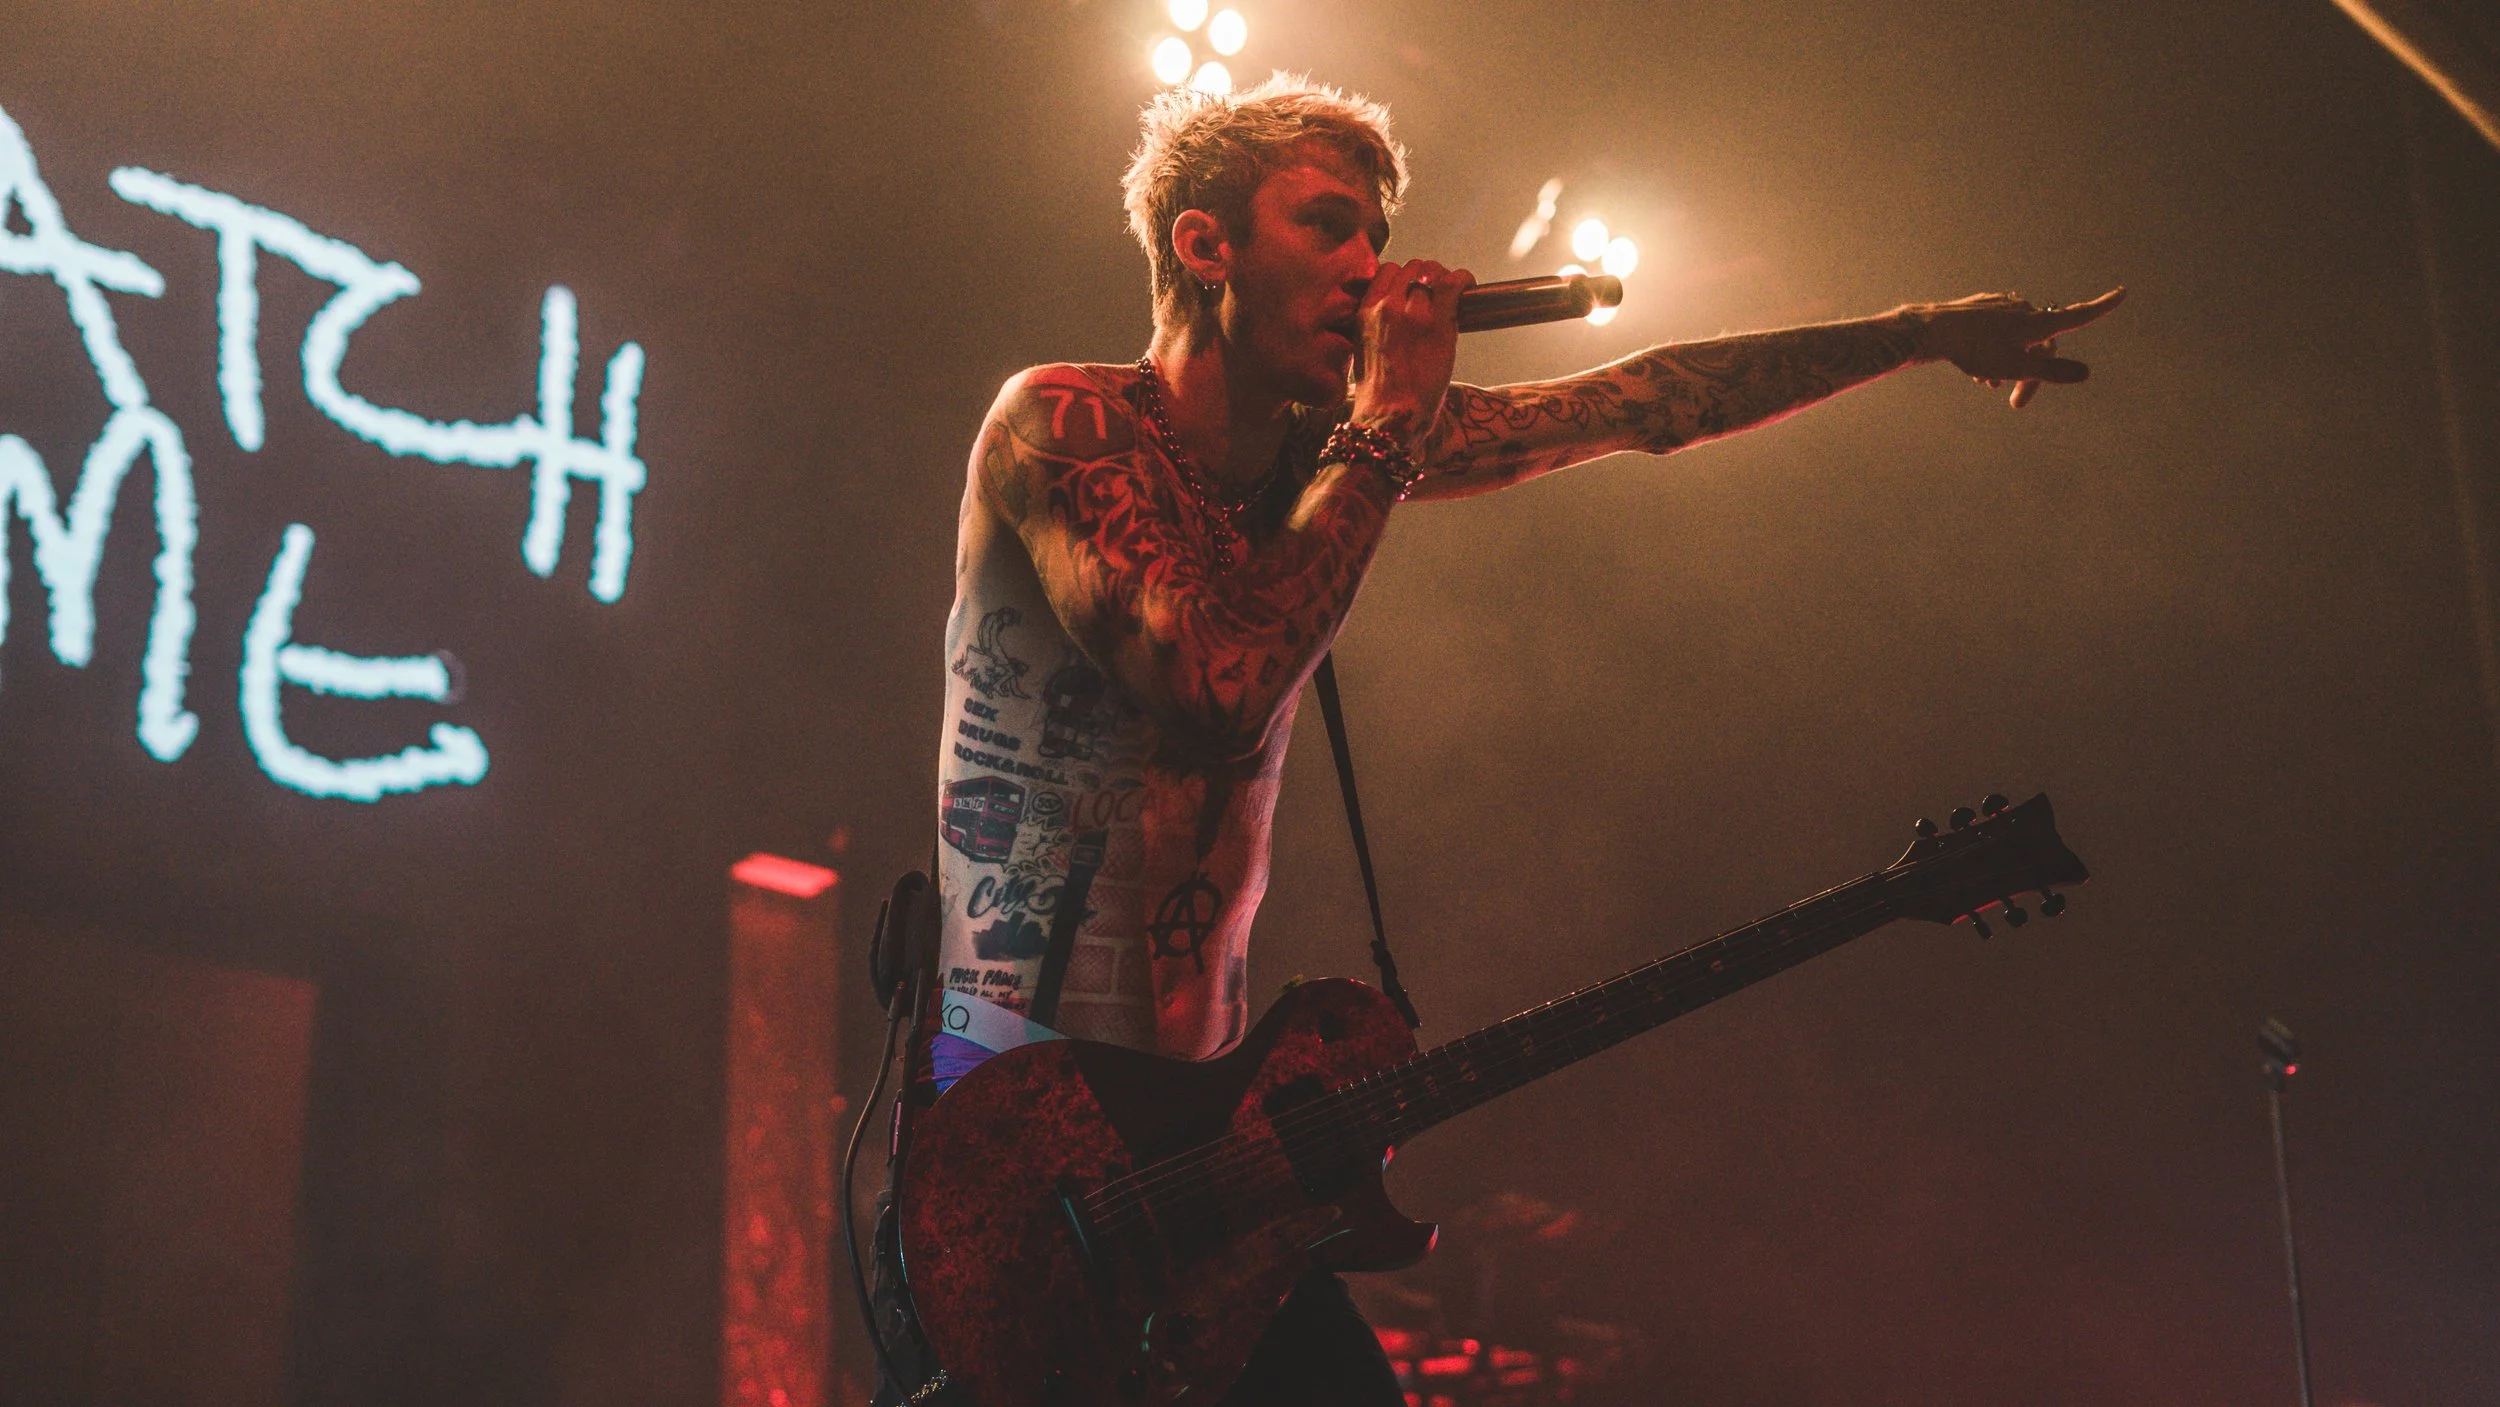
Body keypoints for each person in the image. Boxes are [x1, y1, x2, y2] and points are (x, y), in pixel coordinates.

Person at [890, 73, 2121, 1406]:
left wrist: (1916, 331)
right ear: (1206, 245)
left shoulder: (1332, 450)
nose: (1370, 268)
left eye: (1377, 234)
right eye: (1327, 228)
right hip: (1031, 1137)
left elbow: (1647, 402)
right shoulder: (1063, 425)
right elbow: (1215, 683)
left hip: (1218, 1141)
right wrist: (1383, 433)